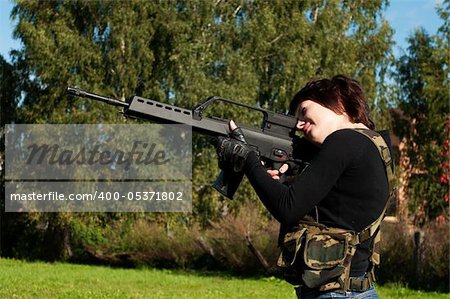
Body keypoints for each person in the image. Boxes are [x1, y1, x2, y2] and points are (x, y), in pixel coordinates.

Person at [215, 75, 393, 299]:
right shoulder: (375, 145)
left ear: (336, 101)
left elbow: (288, 208)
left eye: (303, 110)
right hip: (358, 290)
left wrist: (248, 158)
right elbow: (335, 210)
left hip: (336, 294)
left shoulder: (344, 140)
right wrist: (285, 178)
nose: (299, 124)